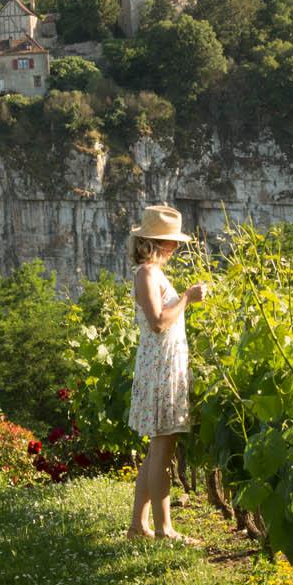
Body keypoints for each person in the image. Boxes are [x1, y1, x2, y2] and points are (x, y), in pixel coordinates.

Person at [126, 203, 209, 542]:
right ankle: (164, 529)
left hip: (163, 366)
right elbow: (159, 323)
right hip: (160, 369)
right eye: (173, 241)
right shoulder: (147, 273)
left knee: (157, 449)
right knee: (162, 450)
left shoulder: (154, 274)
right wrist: (188, 297)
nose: (176, 247)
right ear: (161, 242)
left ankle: (138, 526)